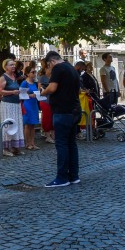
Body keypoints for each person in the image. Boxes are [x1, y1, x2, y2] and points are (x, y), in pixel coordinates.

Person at [40, 50, 81, 188]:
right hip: (74, 109)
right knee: (71, 143)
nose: (49, 69)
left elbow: (52, 88)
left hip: (62, 111)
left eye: (49, 66)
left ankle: (62, 177)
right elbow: (78, 90)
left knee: (62, 144)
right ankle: (74, 176)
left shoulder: (58, 68)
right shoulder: (71, 68)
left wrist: (43, 92)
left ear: (52, 61)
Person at [0, 59, 25, 155]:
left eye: (14, 64)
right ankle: (6, 148)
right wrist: (12, 92)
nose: (13, 66)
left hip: (16, 104)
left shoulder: (14, 76)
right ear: (6, 67)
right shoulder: (3, 77)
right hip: (7, 105)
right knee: (8, 125)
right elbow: (0, 91)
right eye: (11, 65)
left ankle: (15, 147)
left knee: (16, 124)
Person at [22, 62, 41, 151]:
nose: (34, 74)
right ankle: (27, 143)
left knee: (33, 125)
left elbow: (37, 92)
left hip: (34, 104)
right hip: (27, 104)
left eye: (35, 72)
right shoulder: (24, 83)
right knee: (27, 124)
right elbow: (21, 95)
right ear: (27, 74)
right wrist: (30, 95)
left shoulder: (34, 83)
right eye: (33, 72)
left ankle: (32, 143)